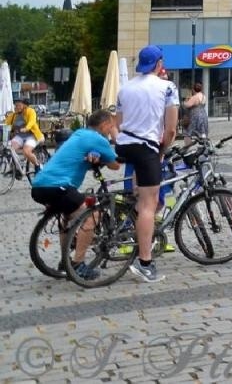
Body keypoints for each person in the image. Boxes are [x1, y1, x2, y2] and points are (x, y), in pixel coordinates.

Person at [31, 108, 121, 282]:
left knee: (67, 219)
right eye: (111, 126)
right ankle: (78, 264)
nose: (111, 129)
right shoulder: (97, 139)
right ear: (104, 125)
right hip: (58, 186)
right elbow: (115, 165)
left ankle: (65, 262)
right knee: (92, 216)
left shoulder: (78, 134)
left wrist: (95, 157)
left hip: (39, 185)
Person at [115, 44, 179, 283]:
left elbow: (119, 123)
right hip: (146, 148)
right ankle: (145, 262)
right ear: (159, 64)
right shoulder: (167, 87)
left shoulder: (125, 88)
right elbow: (170, 129)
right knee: (148, 206)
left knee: (139, 196)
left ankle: (128, 221)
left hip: (124, 145)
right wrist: (162, 151)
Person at [6, 97, 44, 170]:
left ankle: (38, 166)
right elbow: (6, 123)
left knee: (26, 151)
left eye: (19, 105)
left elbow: (32, 121)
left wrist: (26, 128)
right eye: (16, 105)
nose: (17, 107)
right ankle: (16, 169)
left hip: (32, 136)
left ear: (24, 105)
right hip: (20, 136)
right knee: (8, 149)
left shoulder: (30, 111)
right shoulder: (14, 115)